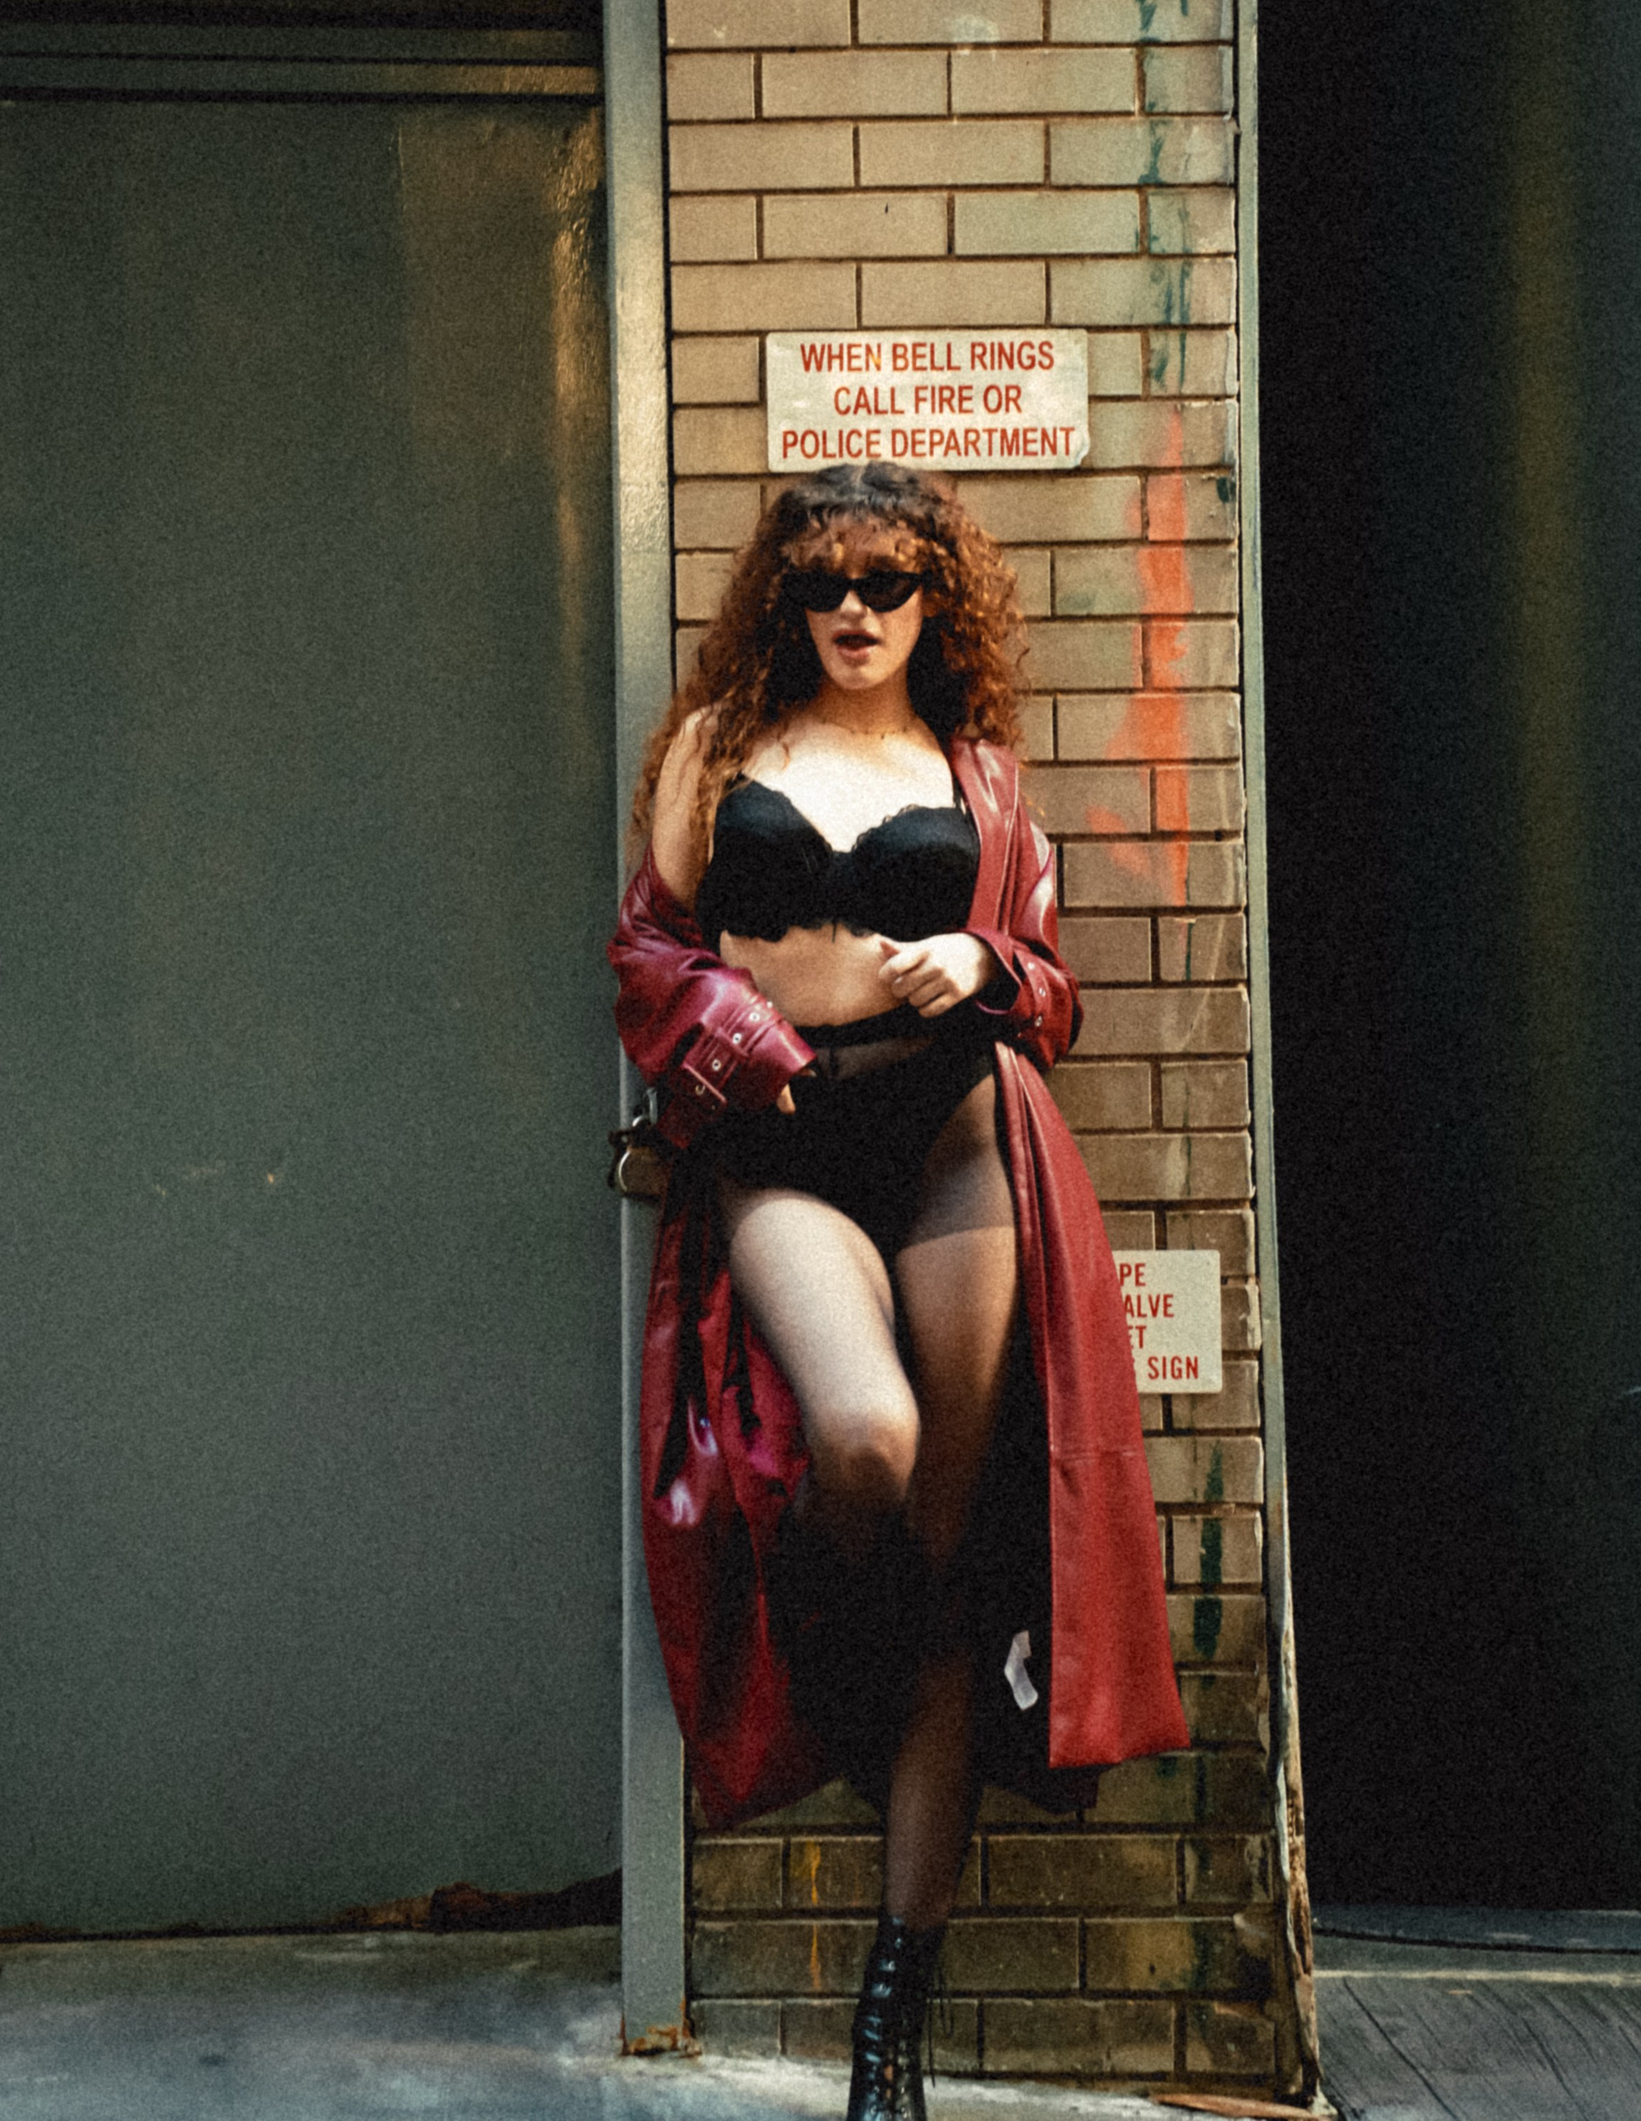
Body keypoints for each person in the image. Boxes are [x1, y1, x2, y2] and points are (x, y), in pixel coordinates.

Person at [609, 464, 1183, 2121]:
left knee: (948, 1557)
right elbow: (646, 954)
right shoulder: (716, 747)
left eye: (887, 581)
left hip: (958, 1143)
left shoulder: (977, 771)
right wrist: (746, 1033)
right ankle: (834, 1671)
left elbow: (1053, 990)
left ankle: (890, 2024)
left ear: (937, 598)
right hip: (783, 1142)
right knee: (862, 1436)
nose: (854, 609)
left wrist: (989, 962)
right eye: (821, 582)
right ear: (783, 598)